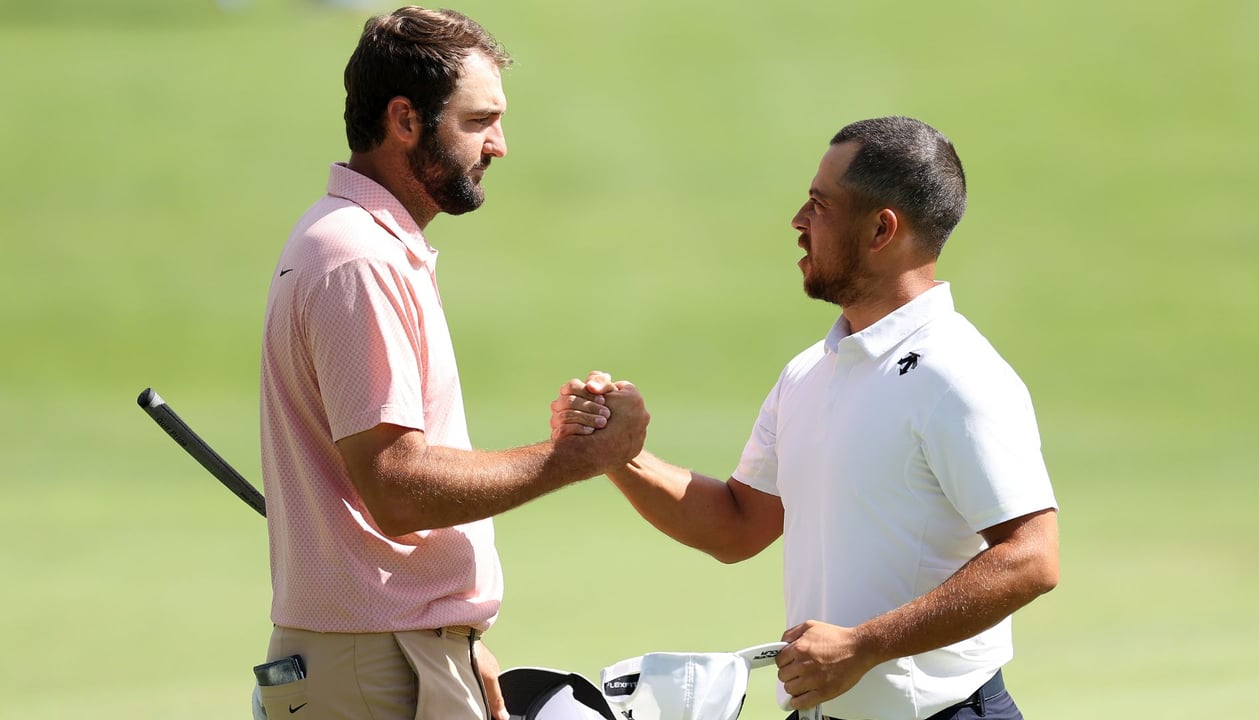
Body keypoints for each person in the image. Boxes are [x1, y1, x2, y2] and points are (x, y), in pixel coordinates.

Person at [552, 117, 1059, 720]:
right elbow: (738, 526)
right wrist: (621, 454)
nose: (798, 220)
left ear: (881, 229)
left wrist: (864, 646)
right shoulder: (810, 373)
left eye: (820, 204)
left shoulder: (958, 374)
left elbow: (1032, 556)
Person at [257, 7, 647, 720]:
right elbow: (396, 487)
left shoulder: (356, 243)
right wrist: (575, 457)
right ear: (405, 120)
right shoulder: (361, 259)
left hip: (386, 651)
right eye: (478, 121)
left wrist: (450, 638)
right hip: (373, 668)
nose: (499, 145)